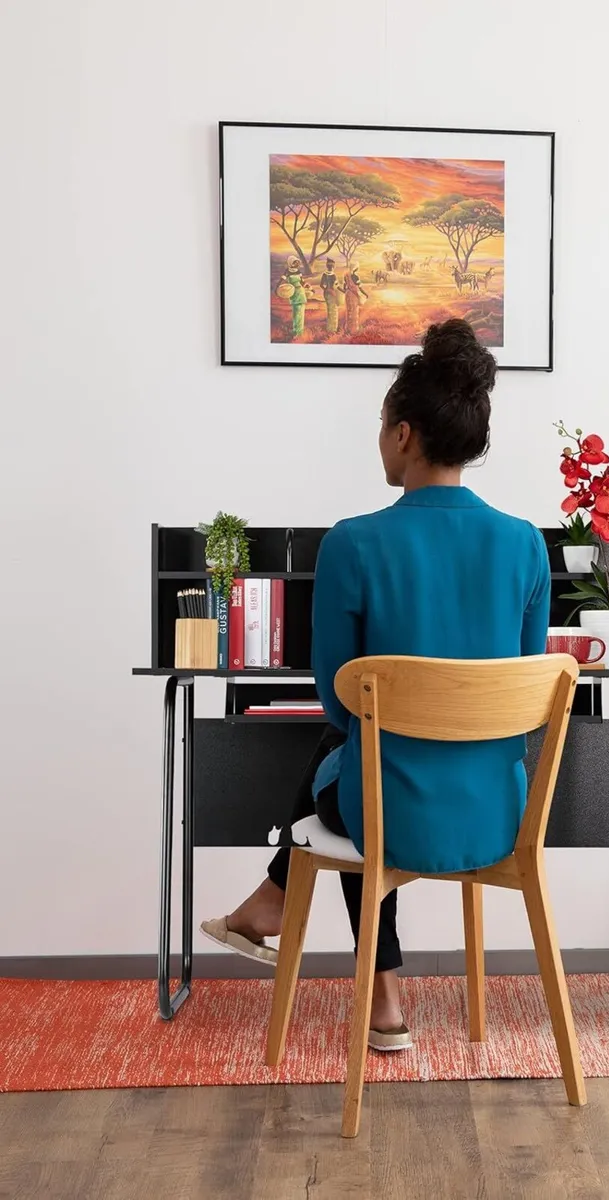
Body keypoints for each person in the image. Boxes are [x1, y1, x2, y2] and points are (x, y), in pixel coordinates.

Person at [200, 320, 551, 1051]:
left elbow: (336, 699)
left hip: (390, 815)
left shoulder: (353, 544)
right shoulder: (524, 545)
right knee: (361, 756)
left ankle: (346, 961)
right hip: (498, 818)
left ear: (403, 435)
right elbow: (526, 693)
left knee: (353, 754)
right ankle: (307, 937)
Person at [281, 257, 308, 340]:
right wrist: (278, 289)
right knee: (295, 313)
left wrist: (307, 286)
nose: (297, 264)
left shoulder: (299, 272)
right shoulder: (287, 272)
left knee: (300, 312)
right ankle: (295, 330)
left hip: (300, 292)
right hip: (293, 292)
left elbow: (302, 282)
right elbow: (281, 281)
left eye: (298, 262)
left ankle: (299, 332)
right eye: (295, 262)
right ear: (291, 263)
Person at [342, 262, 367, 335]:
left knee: (349, 311)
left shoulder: (346, 276)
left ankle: (348, 329)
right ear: (356, 268)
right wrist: (365, 294)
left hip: (348, 294)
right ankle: (354, 330)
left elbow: (344, 287)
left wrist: (348, 290)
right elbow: (360, 287)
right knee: (354, 312)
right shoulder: (356, 277)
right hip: (354, 295)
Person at [319, 258, 340, 336]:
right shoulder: (330, 275)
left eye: (332, 265)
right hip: (330, 294)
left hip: (328, 293)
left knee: (331, 310)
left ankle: (331, 328)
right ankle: (332, 329)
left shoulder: (327, 274)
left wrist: (327, 289)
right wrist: (328, 290)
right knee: (333, 311)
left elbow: (322, 285)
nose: (332, 267)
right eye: (331, 265)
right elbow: (336, 286)